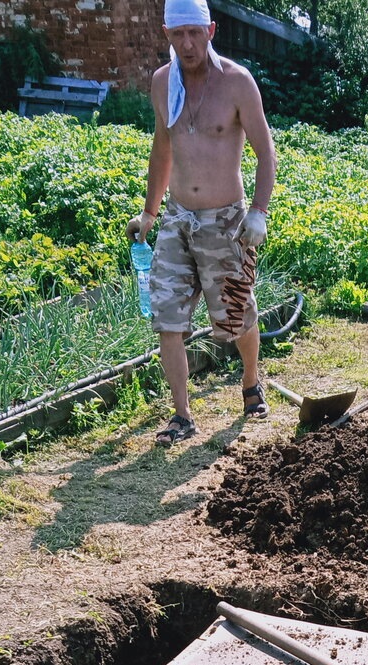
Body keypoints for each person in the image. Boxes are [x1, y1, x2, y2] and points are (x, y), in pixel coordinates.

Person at [126, 0, 277, 447]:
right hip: (177, 220)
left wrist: (258, 213)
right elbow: (162, 150)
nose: (187, 44)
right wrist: (149, 213)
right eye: (178, 35)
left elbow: (265, 153)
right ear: (167, 34)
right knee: (167, 319)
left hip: (225, 221)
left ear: (210, 30)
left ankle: (251, 383)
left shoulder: (236, 82)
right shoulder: (162, 83)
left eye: (195, 33)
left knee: (234, 318)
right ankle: (181, 415)